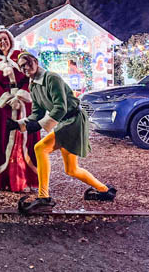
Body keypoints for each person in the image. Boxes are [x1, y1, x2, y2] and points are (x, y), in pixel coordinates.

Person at [11, 52, 117, 214]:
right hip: (66, 123)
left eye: (27, 63)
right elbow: (37, 112)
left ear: (36, 61)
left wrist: (38, 125)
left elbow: (60, 107)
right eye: (21, 66)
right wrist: (19, 124)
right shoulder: (33, 85)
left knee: (40, 148)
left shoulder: (51, 78)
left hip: (73, 120)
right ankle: (104, 190)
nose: (25, 67)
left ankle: (44, 198)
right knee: (71, 169)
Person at [0, 29, 39, 192]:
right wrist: (6, 99)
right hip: (4, 107)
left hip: (23, 104)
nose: (3, 43)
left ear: (10, 40)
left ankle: (25, 179)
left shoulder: (20, 56)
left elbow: (30, 75)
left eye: (5, 39)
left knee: (25, 139)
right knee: (2, 138)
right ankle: (4, 180)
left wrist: (21, 96)